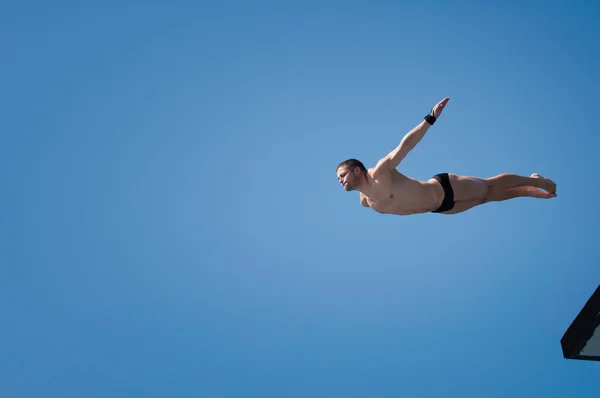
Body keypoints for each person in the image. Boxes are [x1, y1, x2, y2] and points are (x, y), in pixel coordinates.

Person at [335, 97, 557, 215]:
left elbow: (406, 145)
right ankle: (530, 192)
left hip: (444, 187)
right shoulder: (366, 202)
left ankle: (535, 180)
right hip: (441, 208)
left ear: (357, 170)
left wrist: (431, 117)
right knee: (487, 197)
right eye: (338, 179)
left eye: (343, 174)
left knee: (489, 186)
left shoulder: (380, 171)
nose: (340, 180)